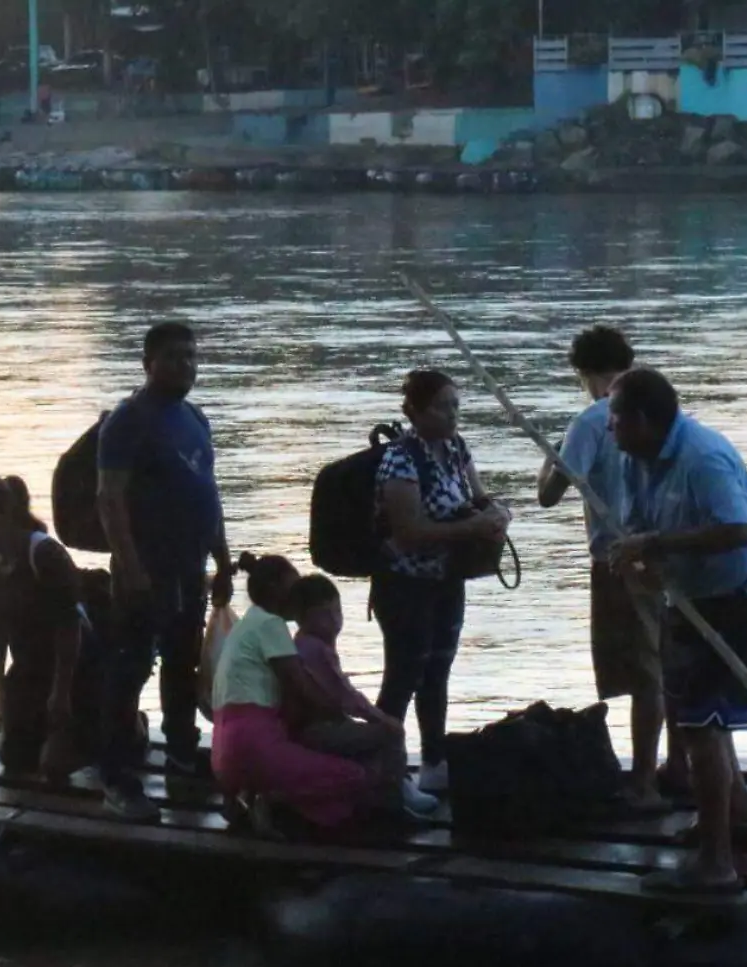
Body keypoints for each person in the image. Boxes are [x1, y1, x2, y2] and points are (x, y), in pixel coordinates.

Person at [606, 368, 747, 894]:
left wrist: (658, 545)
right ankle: (741, 815)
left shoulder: (702, 457)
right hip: (690, 596)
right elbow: (639, 529)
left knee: (706, 724)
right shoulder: (633, 460)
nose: (609, 428)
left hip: (742, 595)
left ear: (641, 420)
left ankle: (717, 862)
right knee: (693, 718)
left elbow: (736, 530)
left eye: (616, 418)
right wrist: (637, 558)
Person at [97, 322, 233, 821]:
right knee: (129, 671)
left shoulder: (195, 417)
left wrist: (221, 560)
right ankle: (116, 778)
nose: (186, 365)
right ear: (148, 363)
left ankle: (180, 753)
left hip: (189, 571)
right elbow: (109, 499)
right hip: (145, 572)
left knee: (181, 666)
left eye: (192, 356)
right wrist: (129, 568)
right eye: (174, 357)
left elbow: (209, 494)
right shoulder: (128, 421)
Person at [536, 326, 676, 809]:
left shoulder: (592, 420)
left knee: (644, 674)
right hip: (666, 551)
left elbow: (548, 495)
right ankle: (674, 765)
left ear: (586, 374)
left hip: (620, 559)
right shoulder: (658, 409)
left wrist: (549, 456)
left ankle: (643, 782)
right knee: (668, 662)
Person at [373, 369, 511, 793]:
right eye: (441, 406)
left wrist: (495, 514)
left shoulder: (455, 448)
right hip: (404, 585)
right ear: (413, 411)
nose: (451, 415)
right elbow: (409, 531)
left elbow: (477, 495)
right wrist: (471, 529)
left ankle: (434, 762)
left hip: (447, 579)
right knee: (404, 674)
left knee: (438, 672)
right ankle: (384, 770)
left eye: (455, 405)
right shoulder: (400, 458)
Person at [210, 554, 374, 832]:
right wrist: (343, 714)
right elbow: (301, 686)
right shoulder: (270, 625)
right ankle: (272, 801)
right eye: (294, 587)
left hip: (223, 750)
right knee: (354, 776)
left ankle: (251, 798)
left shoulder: (245, 626)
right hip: (253, 746)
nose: (302, 597)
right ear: (275, 589)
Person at [0, 475, 98, 780]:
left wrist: (61, 692)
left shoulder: (44, 554)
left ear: (1, 514)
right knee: (11, 755)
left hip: (75, 666)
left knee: (54, 767)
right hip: (31, 667)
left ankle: (127, 727)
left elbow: (70, 625)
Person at [286, 574, 440, 817]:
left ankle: (381, 792)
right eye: (325, 614)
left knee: (372, 736)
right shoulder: (314, 649)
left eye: (338, 611)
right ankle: (395, 797)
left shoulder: (307, 644)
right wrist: (380, 718)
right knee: (391, 733)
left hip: (314, 726)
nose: (335, 620)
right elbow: (346, 696)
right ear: (302, 618)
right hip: (315, 730)